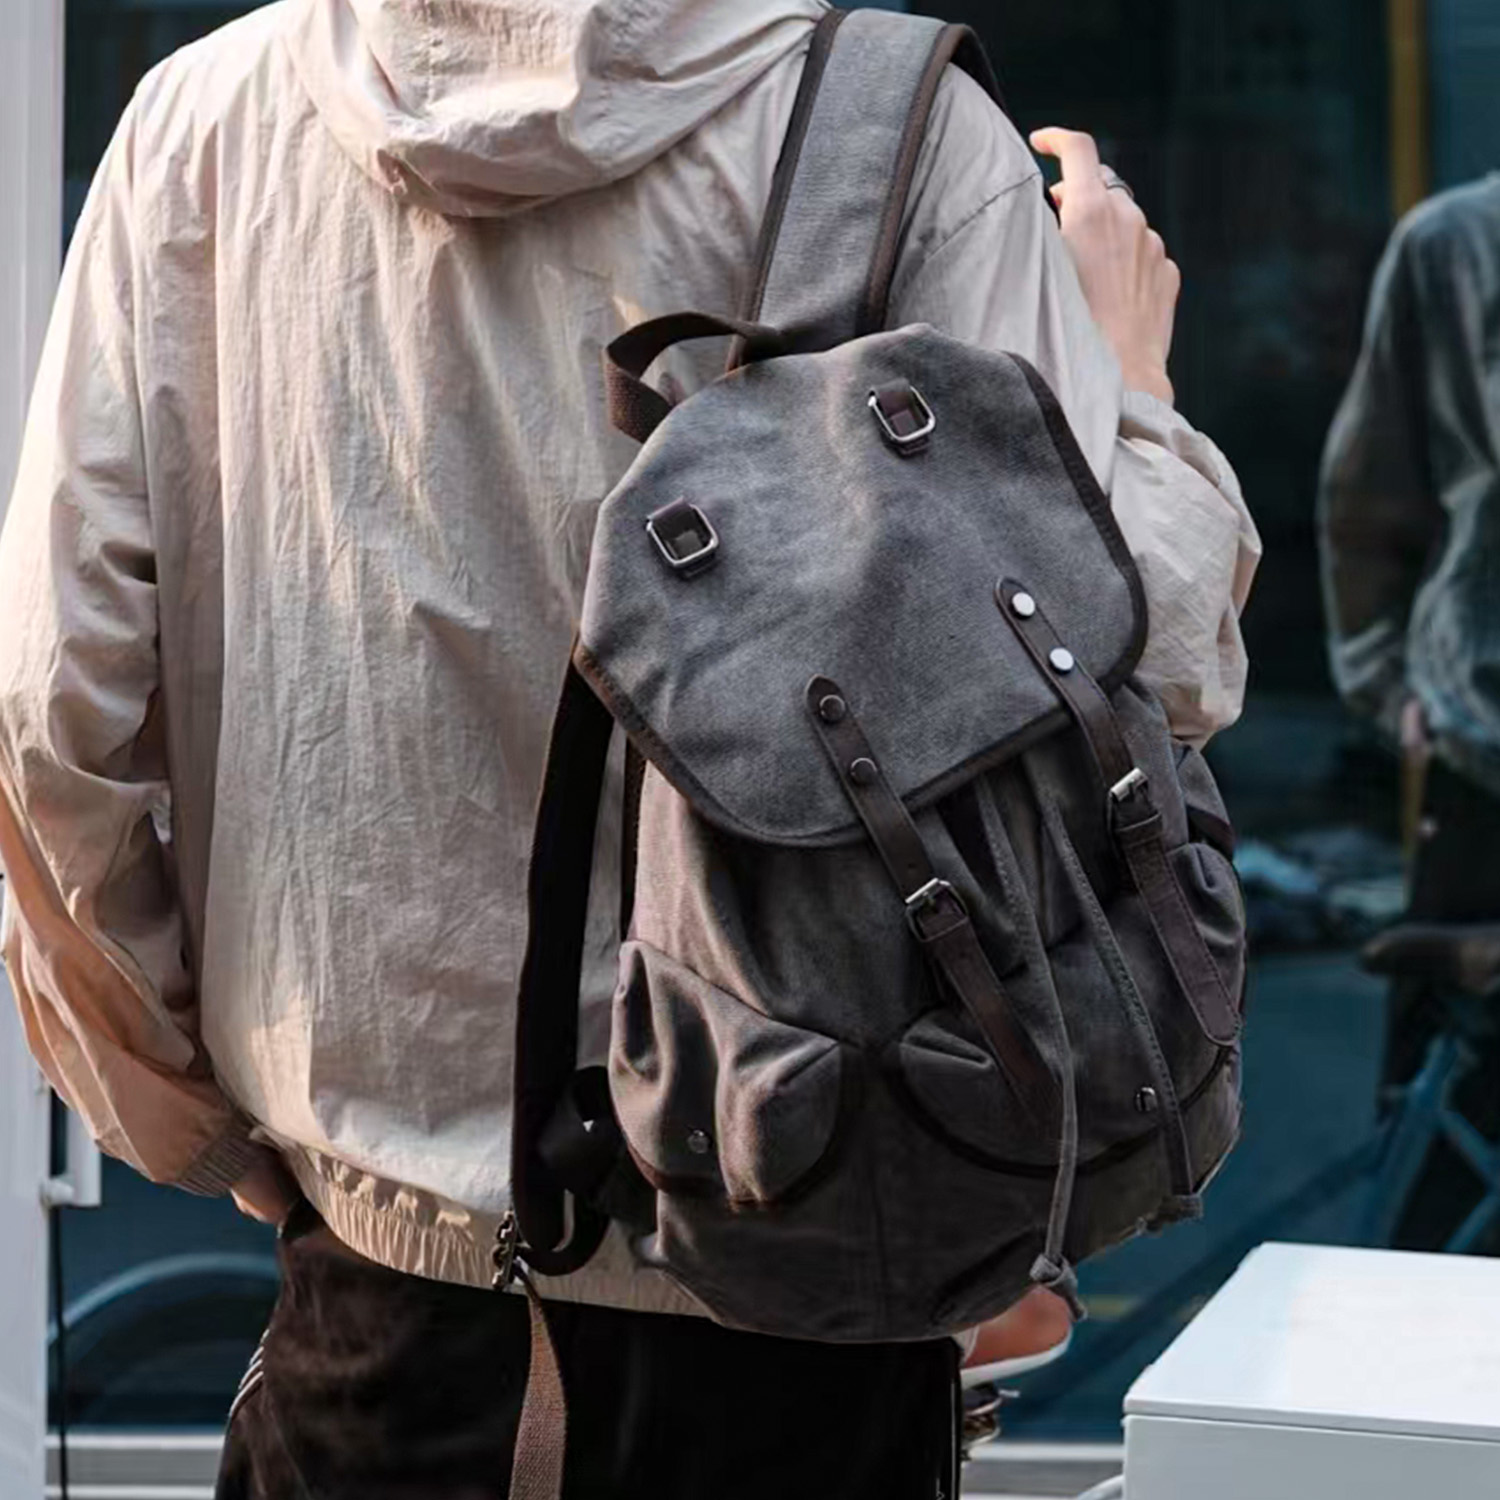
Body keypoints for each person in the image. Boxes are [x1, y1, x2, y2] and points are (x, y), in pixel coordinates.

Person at [0, 3, 1258, 1495]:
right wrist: (1137, 394)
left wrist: (211, 1129)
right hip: (806, 1279)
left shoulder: (201, 128)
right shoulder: (902, 134)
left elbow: (53, 714)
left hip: (372, 1319)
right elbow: (1118, 686)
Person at [1319, 172, 1500, 1251]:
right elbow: (1368, 496)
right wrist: (1391, 689)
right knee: (1446, 1188)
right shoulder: (1456, 243)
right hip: (1485, 765)